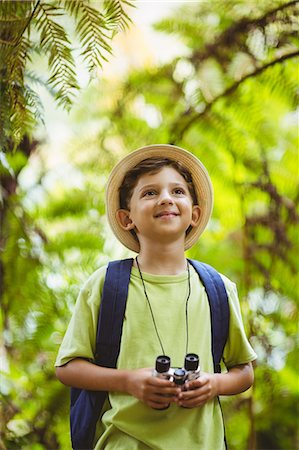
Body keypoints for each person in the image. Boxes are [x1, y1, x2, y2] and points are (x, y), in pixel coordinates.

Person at [55, 144, 257, 449]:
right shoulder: (105, 285)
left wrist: (212, 384)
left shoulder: (218, 288)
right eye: (150, 193)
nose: (165, 198)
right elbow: (67, 367)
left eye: (177, 191)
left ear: (194, 213)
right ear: (127, 219)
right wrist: (129, 381)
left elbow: (244, 371)